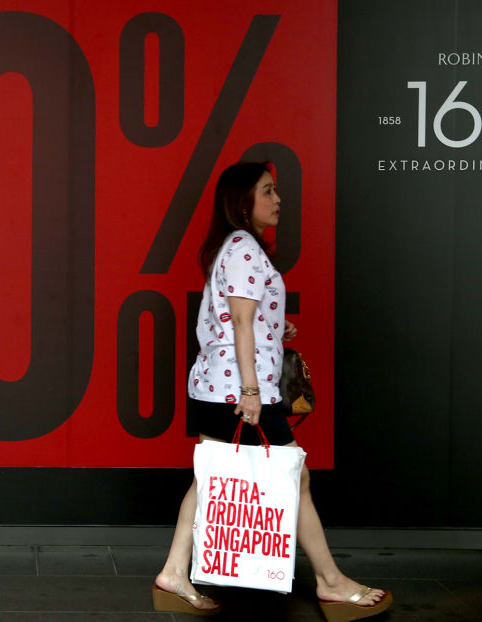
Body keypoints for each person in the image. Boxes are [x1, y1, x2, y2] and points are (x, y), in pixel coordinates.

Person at [152, 162, 392, 620]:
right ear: (243, 202)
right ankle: (331, 582)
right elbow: (240, 320)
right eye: (268, 191)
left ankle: (174, 573)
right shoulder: (243, 248)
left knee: (210, 476)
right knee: (293, 475)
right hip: (235, 390)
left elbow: (244, 318)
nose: (278, 199)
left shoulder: (237, 247)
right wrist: (250, 390)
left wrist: (276, 326)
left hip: (218, 385)